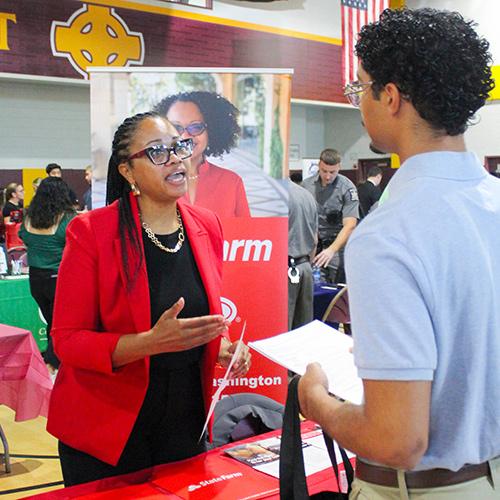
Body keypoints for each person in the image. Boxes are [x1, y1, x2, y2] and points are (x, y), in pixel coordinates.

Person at [298, 8, 500, 499]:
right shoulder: (492, 201)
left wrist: (318, 402)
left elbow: (397, 439)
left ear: (389, 97)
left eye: (359, 87)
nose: (357, 102)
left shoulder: (388, 235)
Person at [46, 111, 252, 486]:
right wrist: (148, 344)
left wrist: (219, 346)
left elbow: (193, 324)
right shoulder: (91, 232)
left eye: (179, 147)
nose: (175, 158)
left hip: (185, 425)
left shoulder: (206, 224)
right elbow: (67, 341)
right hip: (108, 431)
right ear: (128, 171)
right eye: (158, 152)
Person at [154, 91, 250, 218]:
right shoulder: (151, 181)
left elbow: (246, 235)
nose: (185, 136)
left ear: (211, 130)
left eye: (195, 127)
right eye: (176, 127)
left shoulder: (232, 182)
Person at [19, 177, 77, 373]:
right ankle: (54, 361)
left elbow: (23, 237)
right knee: (59, 323)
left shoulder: (29, 218)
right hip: (59, 278)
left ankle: (52, 359)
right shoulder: (68, 218)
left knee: (52, 320)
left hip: (35, 279)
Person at [302, 149, 358, 283]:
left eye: (332, 172)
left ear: (339, 167)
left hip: (337, 247)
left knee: (335, 291)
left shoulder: (347, 188)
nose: (327, 176)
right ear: (319, 166)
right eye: (324, 171)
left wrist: (331, 250)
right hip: (312, 247)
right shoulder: (306, 186)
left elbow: (350, 225)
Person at [287, 178, 318, 330]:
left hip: (285, 270)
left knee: (282, 333)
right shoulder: (307, 196)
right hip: (305, 267)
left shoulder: (273, 198)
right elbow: (315, 238)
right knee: (303, 332)